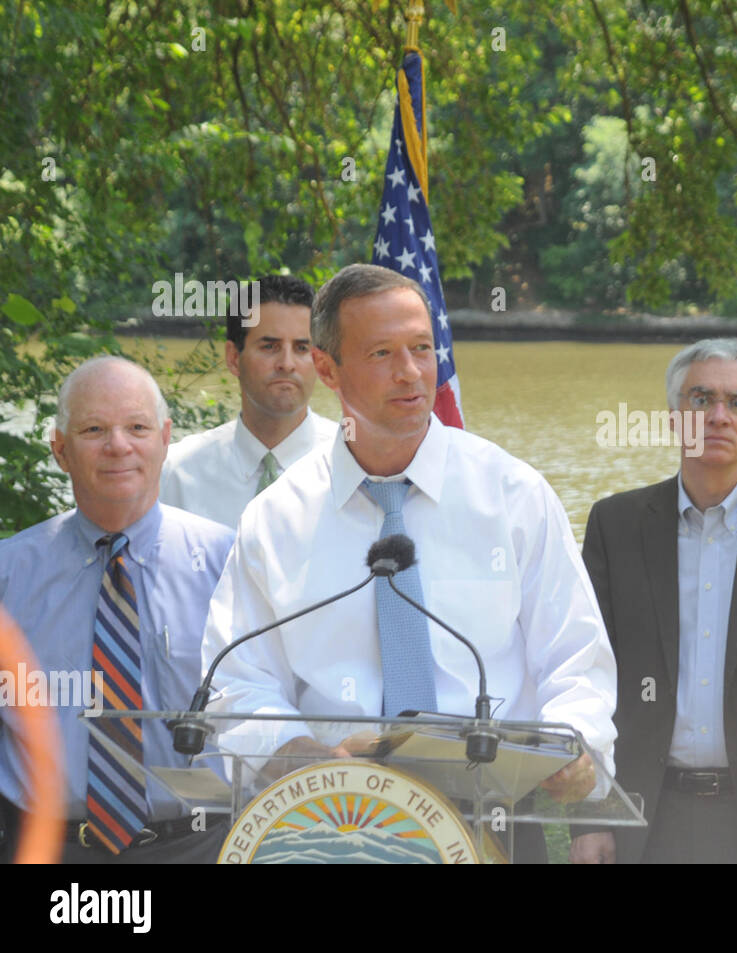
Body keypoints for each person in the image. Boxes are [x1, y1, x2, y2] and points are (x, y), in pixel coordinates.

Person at [200, 263, 616, 862]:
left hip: (494, 817)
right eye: (382, 353)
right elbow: (239, 684)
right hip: (329, 825)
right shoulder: (277, 519)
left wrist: (579, 747)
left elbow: (576, 659)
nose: (412, 372)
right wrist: (302, 756)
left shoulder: (513, 494)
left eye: (422, 348)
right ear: (327, 367)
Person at [570, 339, 737, 864]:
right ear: (673, 418)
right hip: (648, 817)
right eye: (700, 400)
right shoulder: (616, 525)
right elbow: (586, 674)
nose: (719, 416)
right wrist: (591, 816)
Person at [0, 356, 234, 863]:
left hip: (199, 845)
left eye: (137, 427)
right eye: (93, 429)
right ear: (59, 449)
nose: (118, 446)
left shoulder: (228, 564)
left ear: (165, 437)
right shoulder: (8, 574)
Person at [160, 274, 336, 528]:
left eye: (301, 348)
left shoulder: (354, 464)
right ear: (233, 358)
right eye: (269, 347)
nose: (287, 364)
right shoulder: (176, 474)